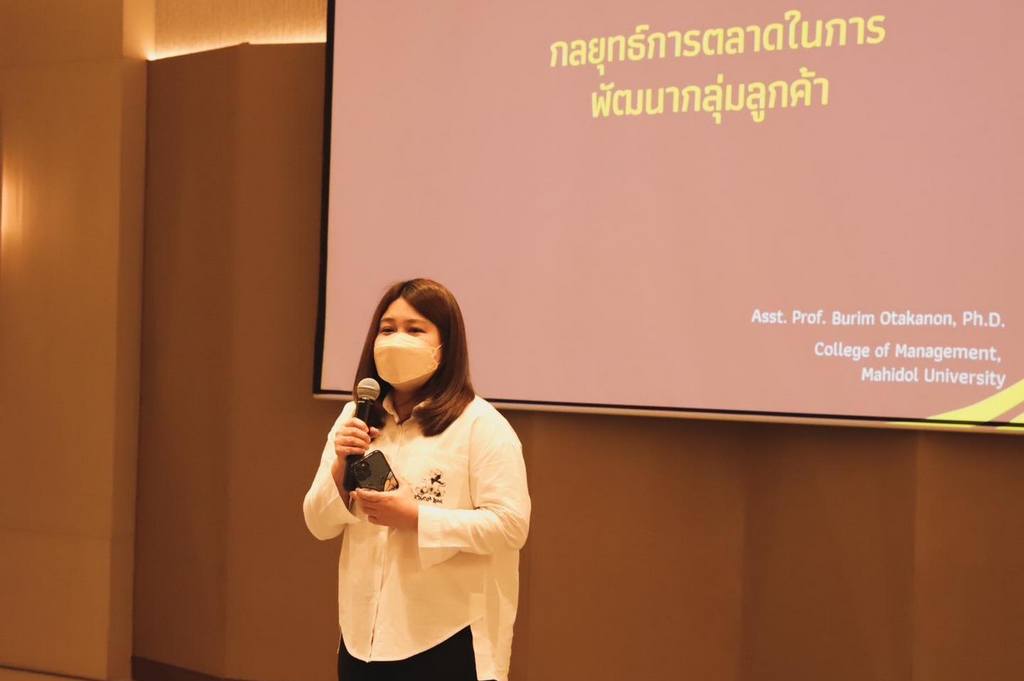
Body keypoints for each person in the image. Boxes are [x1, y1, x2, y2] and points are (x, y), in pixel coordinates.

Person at [303, 278, 531, 681]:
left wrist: (417, 518)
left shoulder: (480, 425)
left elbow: (511, 526)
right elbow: (319, 523)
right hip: (362, 637)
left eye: (415, 329)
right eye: (387, 329)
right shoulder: (357, 417)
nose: (396, 340)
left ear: (445, 346)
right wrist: (340, 467)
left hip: (447, 637)